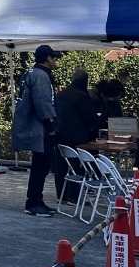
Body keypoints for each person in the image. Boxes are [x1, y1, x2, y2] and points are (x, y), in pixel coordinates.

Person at [12, 45, 60, 217]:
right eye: (54, 58)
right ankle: (33, 203)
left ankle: (37, 200)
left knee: (40, 166)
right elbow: (43, 103)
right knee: (41, 167)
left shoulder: (30, 73)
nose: (55, 61)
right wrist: (51, 128)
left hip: (35, 126)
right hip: (41, 128)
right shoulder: (40, 75)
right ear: (48, 58)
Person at [54, 68, 101, 203]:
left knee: (61, 166)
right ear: (85, 81)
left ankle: (61, 195)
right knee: (75, 166)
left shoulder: (61, 94)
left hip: (59, 134)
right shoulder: (82, 96)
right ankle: (73, 196)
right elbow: (90, 118)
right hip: (76, 137)